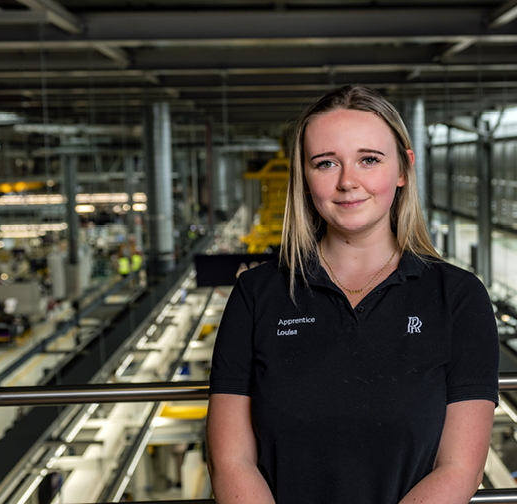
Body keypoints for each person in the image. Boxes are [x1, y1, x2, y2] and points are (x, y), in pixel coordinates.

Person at [207, 85, 499, 504]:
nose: (348, 182)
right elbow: (231, 462)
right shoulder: (256, 296)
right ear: (305, 179)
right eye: (326, 163)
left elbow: (459, 469)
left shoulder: (457, 298)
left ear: (402, 170)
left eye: (369, 160)